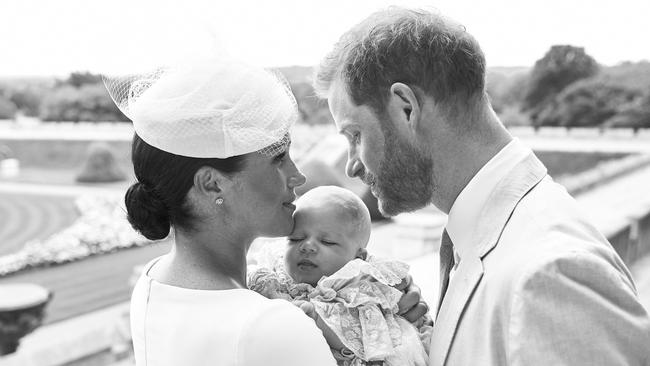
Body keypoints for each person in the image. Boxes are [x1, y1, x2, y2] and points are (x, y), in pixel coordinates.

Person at [314, 7, 650, 366]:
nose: (350, 165)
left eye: (355, 134)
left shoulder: (551, 273)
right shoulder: (491, 236)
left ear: (405, 108)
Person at [104, 57, 423, 366]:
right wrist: (398, 342)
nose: (297, 175)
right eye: (278, 158)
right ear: (213, 184)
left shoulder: (153, 281)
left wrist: (374, 316)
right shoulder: (274, 325)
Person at [248, 185, 431, 365]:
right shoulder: (273, 273)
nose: (307, 246)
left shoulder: (360, 288)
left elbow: (366, 337)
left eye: (327, 242)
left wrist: (315, 318)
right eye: (295, 239)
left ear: (358, 257)